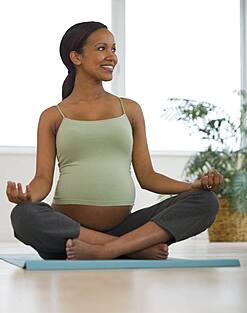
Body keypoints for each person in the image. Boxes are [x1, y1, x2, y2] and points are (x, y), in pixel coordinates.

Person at [6, 21, 223, 261]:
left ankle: (108, 250)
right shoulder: (53, 116)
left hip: (123, 227)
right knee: (23, 215)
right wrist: (27, 197)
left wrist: (192, 187)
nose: (112, 57)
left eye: (114, 49)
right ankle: (131, 249)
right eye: (102, 49)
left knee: (205, 201)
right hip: (71, 233)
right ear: (76, 57)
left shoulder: (129, 109)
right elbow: (43, 180)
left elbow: (147, 176)